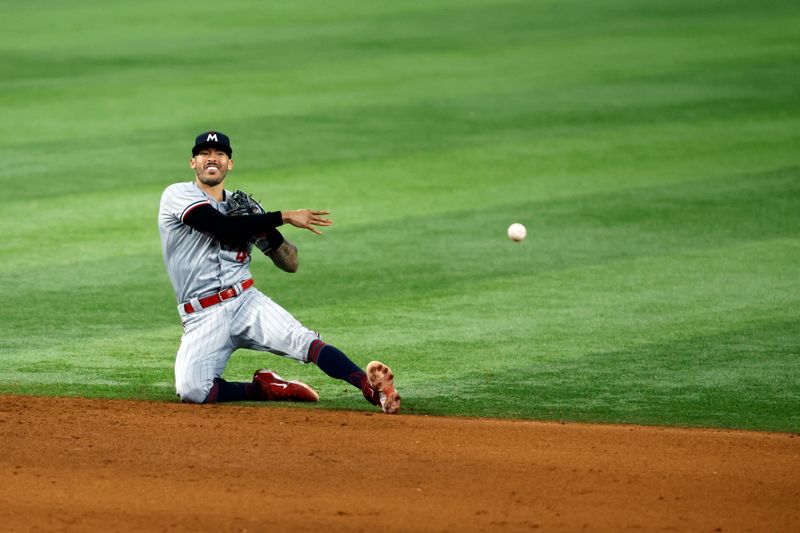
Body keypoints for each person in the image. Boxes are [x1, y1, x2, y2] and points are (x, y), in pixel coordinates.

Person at [157, 131, 400, 413]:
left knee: (305, 341)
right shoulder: (177, 195)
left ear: (229, 164)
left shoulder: (246, 209)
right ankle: (263, 387)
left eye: (220, 154)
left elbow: (290, 263)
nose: (212, 158)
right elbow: (219, 227)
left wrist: (265, 229)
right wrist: (283, 216)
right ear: (193, 163)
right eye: (205, 154)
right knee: (192, 391)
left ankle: (371, 389)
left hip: (245, 302)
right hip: (202, 316)